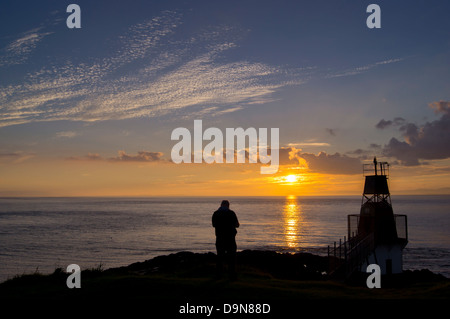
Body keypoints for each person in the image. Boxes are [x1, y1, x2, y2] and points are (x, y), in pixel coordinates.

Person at [212, 200, 240, 278]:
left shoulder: (216, 213)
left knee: (220, 257)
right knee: (232, 257)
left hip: (220, 238)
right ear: (228, 205)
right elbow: (237, 225)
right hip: (230, 238)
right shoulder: (231, 213)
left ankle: (219, 274)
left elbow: (213, 224)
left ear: (221, 205)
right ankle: (232, 274)